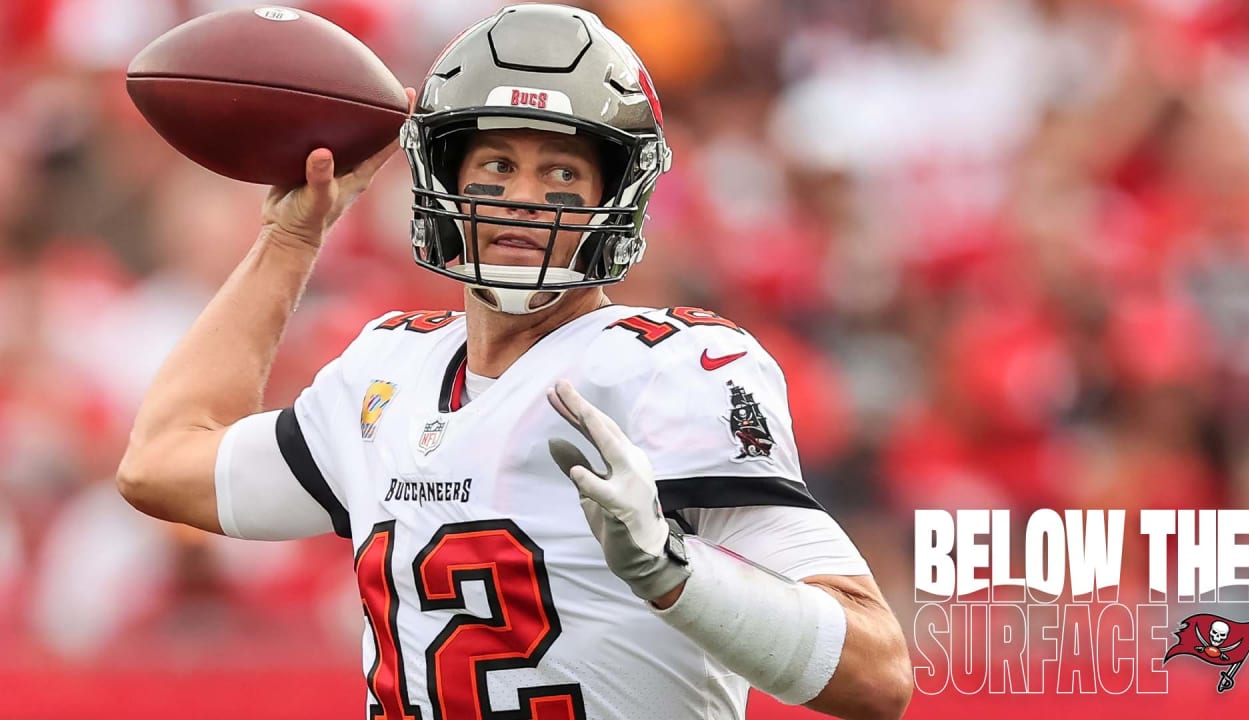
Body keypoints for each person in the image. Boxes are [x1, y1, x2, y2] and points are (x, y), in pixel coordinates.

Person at [116, 5, 912, 719]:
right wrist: (291, 238)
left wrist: (675, 573)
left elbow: (877, 676)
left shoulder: (669, 369)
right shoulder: (387, 373)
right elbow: (161, 462)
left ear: (616, 198)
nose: (525, 197)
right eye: (496, 165)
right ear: (445, 178)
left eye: (562, 173)